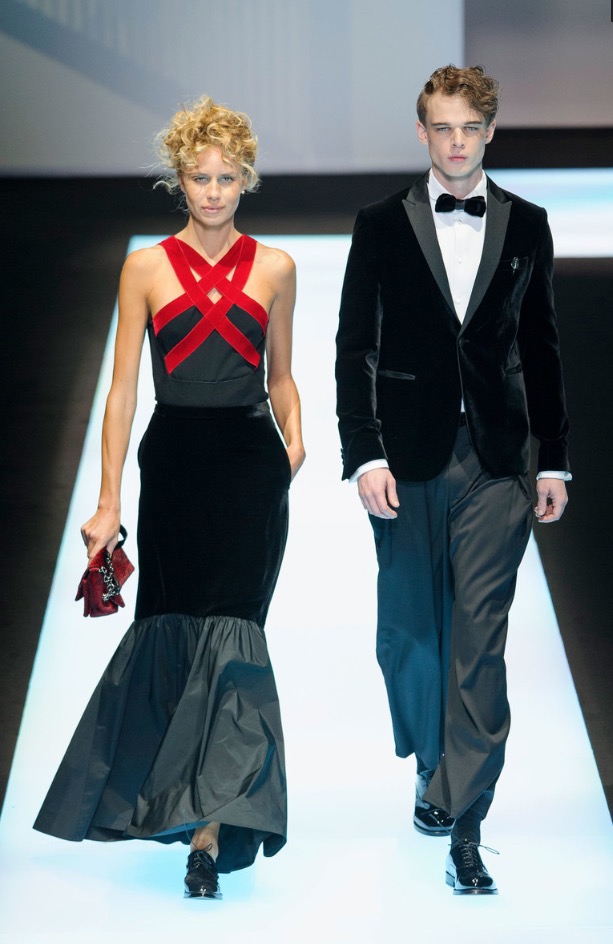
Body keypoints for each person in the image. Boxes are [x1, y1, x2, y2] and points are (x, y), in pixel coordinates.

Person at [34, 96, 305, 900]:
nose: (213, 192)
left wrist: (293, 446)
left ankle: (211, 827)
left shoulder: (275, 268)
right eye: (199, 177)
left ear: (245, 179)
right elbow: (122, 389)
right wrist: (107, 499)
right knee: (176, 634)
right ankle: (181, 804)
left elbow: (281, 376)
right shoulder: (146, 269)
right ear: (178, 180)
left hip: (250, 467)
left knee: (235, 639)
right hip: (175, 467)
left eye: (226, 178)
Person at [335, 65, 570, 895]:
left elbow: (539, 346)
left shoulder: (527, 225)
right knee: (409, 636)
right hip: (404, 458)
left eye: (470, 127)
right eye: (442, 127)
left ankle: (465, 819)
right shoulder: (379, 225)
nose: (457, 142)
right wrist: (363, 453)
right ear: (421, 131)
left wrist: (553, 457)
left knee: (478, 637)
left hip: (497, 461)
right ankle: (432, 765)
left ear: (490, 131)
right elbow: (354, 346)